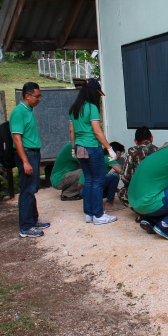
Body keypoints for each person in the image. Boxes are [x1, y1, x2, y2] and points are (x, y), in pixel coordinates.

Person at [69, 78, 117, 225]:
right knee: (98, 180)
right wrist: (109, 148)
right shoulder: (91, 108)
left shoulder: (74, 108)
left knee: (89, 179)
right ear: (93, 92)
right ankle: (98, 214)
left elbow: (71, 131)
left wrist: (73, 148)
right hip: (91, 147)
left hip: (79, 147)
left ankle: (89, 213)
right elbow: (97, 131)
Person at [9, 82, 50, 238]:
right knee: (27, 190)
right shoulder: (19, 112)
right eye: (37, 96)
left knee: (32, 188)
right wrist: (25, 161)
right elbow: (17, 139)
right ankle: (25, 227)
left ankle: (33, 220)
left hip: (33, 153)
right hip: (26, 154)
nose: (39, 99)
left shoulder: (29, 110)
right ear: (27, 96)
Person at [118, 126, 158, 209]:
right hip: (157, 191)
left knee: (122, 193)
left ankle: (140, 210)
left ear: (135, 141)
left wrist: (131, 185)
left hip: (139, 192)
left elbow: (125, 177)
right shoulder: (159, 151)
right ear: (151, 138)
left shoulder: (132, 152)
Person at [78, 141, 125, 210]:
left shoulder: (101, 157)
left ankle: (93, 203)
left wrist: (118, 191)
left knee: (110, 178)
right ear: (117, 152)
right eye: (120, 153)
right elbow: (122, 172)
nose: (120, 156)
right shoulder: (109, 158)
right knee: (115, 176)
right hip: (86, 189)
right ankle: (109, 204)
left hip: (83, 190)